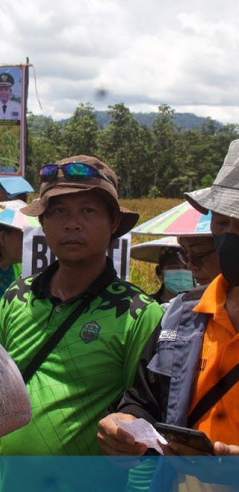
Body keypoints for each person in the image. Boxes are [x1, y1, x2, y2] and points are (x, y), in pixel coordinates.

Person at [0, 156, 163, 490]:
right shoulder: (17, 298)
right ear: (43, 224)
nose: (72, 224)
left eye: (88, 211)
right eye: (58, 212)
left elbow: (144, 424)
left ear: (114, 223)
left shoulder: (136, 313)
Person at [97, 139, 239, 489]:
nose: (231, 238)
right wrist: (124, 423)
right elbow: (145, 400)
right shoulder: (182, 316)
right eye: (221, 224)